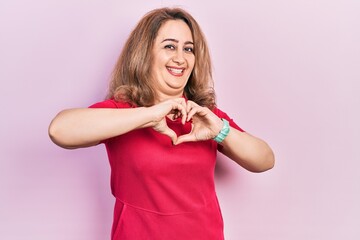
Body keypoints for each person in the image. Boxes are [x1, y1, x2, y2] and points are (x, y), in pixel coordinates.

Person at [48, 7, 275, 240]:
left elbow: (265, 160)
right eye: (169, 46)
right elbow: (59, 130)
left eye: (188, 49)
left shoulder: (204, 116)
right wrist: (149, 115)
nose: (180, 58)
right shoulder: (122, 113)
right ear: (145, 54)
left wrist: (220, 131)